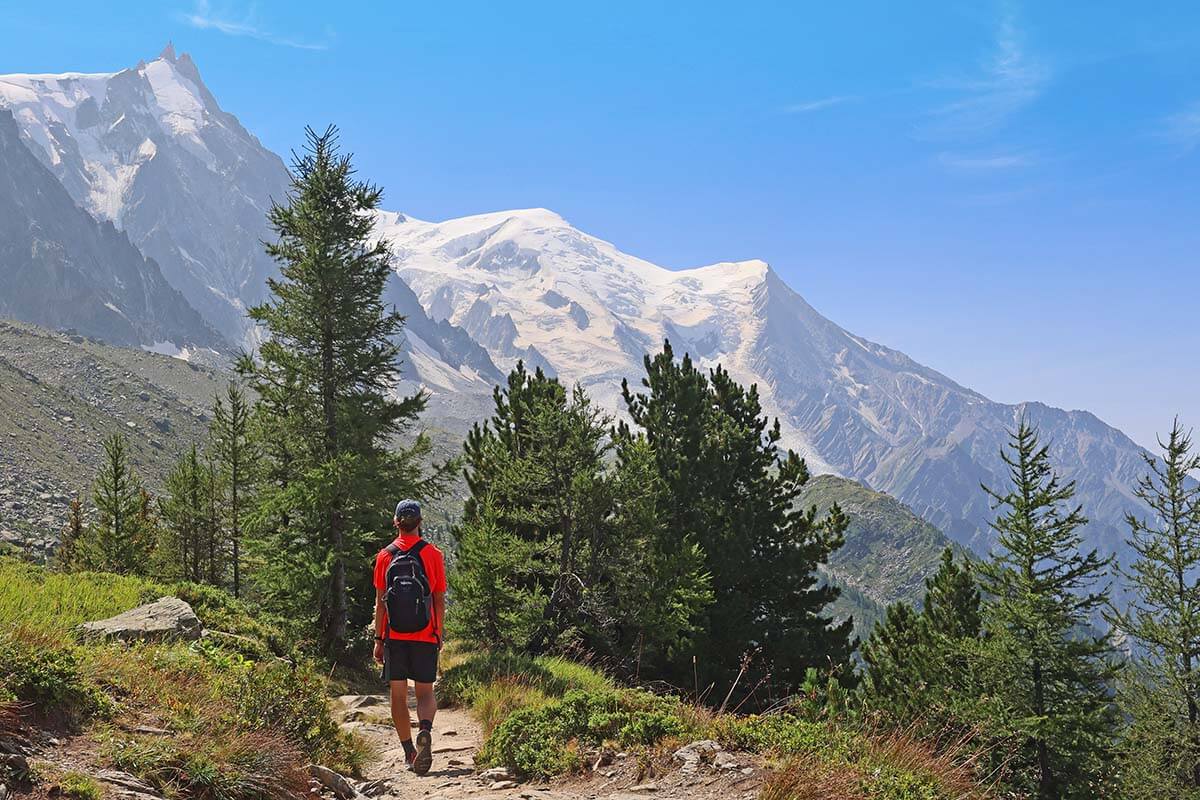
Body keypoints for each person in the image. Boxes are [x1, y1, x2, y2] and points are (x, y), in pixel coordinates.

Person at [373, 499, 447, 776]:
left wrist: (379, 640)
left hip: (395, 637)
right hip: (425, 634)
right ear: (420, 523)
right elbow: (438, 599)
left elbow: (381, 602)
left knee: (398, 696)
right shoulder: (433, 555)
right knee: (425, 692)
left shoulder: (384, 556)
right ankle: (425, 730)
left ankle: (409, 753)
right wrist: (439, 632)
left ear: (396, 522)